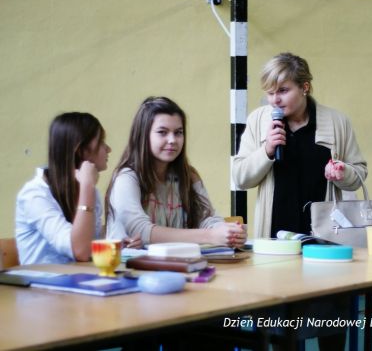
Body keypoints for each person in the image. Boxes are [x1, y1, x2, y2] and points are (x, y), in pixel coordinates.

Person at [232, 52, 367, 350]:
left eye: (283, 90)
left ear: (305, 87)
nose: (275, 100)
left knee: (330, 328)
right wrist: (267, 151)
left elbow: (359, 173)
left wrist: (343, 172)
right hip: (276, 245)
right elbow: (240, 177)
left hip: (326, 244)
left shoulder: (337, 122)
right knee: (283, 333)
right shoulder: (259, 121)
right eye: (270, 93)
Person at [106, 96, 246, 247]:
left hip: (177, 260)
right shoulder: (127, 177)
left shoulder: (189, 176)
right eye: (162, 132)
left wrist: (228, 232)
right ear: (143, 135)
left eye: (178, 132)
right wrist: (210, 235)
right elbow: (140, 230)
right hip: (128, 262)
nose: (172, 140)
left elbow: (207, 218)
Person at [15, 112, 121, 264]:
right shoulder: (35, 194)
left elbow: (89, 249)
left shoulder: (88, 191)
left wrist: (119, 244)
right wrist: (87, 187)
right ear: (81, 150)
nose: (108, 149)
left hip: (78, 276)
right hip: (43, 279)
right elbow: (81, 251)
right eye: (101, 142)